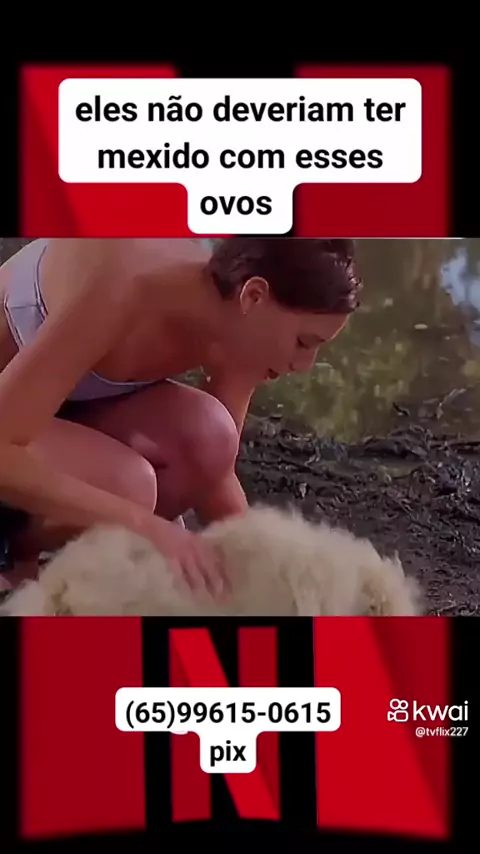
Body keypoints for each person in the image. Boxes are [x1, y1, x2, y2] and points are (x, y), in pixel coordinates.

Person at [0, 237, 361, 596]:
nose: (304, 365)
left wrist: (270, 573)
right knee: (130, 486)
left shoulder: (240, 327)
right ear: (254, 295)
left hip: (48, 413)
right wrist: (148, 528)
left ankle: (26, 551)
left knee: (211, 436)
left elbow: (214, 475)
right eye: (303, 342)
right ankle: (8, 557)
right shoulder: (123, 287)